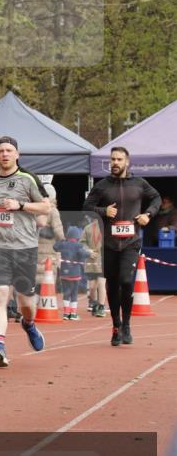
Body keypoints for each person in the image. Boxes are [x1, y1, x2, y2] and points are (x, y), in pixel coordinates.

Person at [0, 135, 50, 368]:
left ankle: (28, 324)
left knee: (25, 303)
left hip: (24, 247)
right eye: (0, 151)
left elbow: (46, 206)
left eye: (9, 150)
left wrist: (21, 205)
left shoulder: (28, 179)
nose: (5, 154)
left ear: (17, 154)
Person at [83, 146, 161, 346]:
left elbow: (156, 198)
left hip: (130, 242)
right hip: (108, 243)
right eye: (112, 159)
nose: (115, 163)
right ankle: (116, 325)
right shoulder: (102, 185)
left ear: (127, 162)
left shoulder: (139, 183)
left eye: (119, 159)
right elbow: (86, 206)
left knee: (126, 281)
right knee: (112, 284)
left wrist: (148, 214)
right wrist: (103, 210)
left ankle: (126, 323)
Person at [53, 225, 90, 320]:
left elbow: (55, 247)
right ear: (77, 237)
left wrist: (62, 241)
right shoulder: (78, 245)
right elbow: (83, 254)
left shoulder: (63, 244)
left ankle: (66, 313)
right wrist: (88, 253)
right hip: (75, 273)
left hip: (64, 273)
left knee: (66, 292)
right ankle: (73, 314)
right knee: (74, 293)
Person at [82, 214, 106, 316]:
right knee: (92, 287)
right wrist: (89, 251)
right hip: (91, 260)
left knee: (101, 283)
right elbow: (82, 242)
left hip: (103, 259)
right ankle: (95, 303)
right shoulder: (88, 228)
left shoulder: (108, 227)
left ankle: (101, 306)